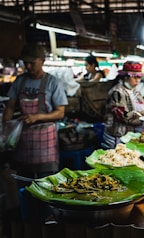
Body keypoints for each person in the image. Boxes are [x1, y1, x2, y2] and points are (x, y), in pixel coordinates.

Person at [1, 43, 68, 233]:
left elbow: (60, 112)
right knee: (25, 184)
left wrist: (37, 117)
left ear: (42, 61)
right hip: (23, 142)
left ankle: (49, 222)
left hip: (45, 144)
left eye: (32, 63)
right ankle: (29, 222)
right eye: (26, 63)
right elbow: (10, 107)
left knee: (47, 185)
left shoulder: (52, 82)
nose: (28, 66)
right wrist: (6, 128)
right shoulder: (19, 81)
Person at [102, 61, 144, 149]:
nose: (138, 80)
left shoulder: (135, 91)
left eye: (139, 77)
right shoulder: (117, 92)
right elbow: (123, 116)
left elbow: (143, 107)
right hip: (118, 137)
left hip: (132, 135)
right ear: (125, 77)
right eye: (134, 77)